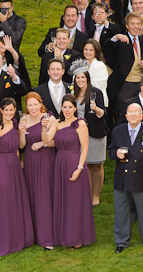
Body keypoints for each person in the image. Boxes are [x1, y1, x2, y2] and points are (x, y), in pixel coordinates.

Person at [0, 97, 34, 256]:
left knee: (14, 201)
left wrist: (22, 132)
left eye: (12, 110)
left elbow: (21, 146)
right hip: (0, 167)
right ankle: (4, 241)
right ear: (1, 110)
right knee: (3, 203)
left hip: (14, 165)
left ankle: (17, 238)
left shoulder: (16, 124)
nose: (9, 113)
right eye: (6, 110)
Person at [42, 94, 95, 248]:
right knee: (62, 199)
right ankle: (63, 235)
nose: (67, 110)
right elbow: (46, 140)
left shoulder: (80, 124)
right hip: (59, 164)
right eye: (64, 107)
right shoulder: (57, 123)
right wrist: (45, 127)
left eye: (70, 107)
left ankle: (77, 237)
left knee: (74, 202)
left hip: (74, 163)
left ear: (74, 108)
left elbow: (85, 147)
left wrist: (79, 168)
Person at [108, 102, 143, 252]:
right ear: (126, 116)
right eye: (130, 112)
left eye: (136, 111)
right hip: (122, 179)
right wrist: (115, 154)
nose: (132, 114)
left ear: (141, 116)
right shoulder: (118, 131)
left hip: (142, 178)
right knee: (121, 212)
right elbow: (111, 152)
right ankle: (121, 241)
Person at [19, 92, 57, 248]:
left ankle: (47, 237)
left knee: (44, 195)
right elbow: (21, 145)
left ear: (40, 104)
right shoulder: (23, 119)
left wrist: (42, 144)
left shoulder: (49, 118)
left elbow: (56, 141)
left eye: (36, 104)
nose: (33, 108)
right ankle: (32, 234)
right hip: (30, 160)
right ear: (26, 107)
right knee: (31, 195)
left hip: (46, 159)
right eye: (30, 105)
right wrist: (21, 131)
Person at [71, 67, 109, 207]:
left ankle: (96, 196)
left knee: (97, 165)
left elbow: (104, 113)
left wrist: (96, 109)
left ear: (87, 78)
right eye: (78, 78)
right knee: (85, 165)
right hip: (79, 134)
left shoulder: (95, 92)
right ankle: (87, 193)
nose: (80, 80)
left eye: (83, 77)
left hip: (95, 132)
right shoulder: (73, 94)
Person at [105, 12, 143, 112]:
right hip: (124, 84)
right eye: (132, 24)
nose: (136, 26)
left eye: (138, 24)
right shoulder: (121, 40)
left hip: (140, 84)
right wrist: (116, 37)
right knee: (122, 113)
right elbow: (106, 47)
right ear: (127, 26)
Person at [82, 39, 109, 103]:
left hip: (97, 100)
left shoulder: (100, 65)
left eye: (91, 50)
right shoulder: (81, 64)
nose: (87, 52)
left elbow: (97, 86)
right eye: (86, 49)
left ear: (96, 52)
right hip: (82, 100)